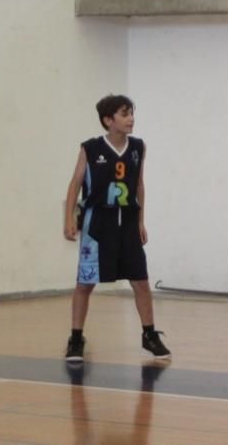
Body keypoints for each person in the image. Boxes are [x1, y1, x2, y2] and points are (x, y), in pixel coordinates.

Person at [62, 95, 170, 363]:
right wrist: (69, 218)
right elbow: (75, 183)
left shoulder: (138, 147)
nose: (131, 118)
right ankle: (76, 338)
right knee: (85, 283)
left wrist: (141, 220)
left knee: (141, 281)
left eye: (131, 113)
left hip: (128, 222)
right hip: (98, 223)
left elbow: (139, 185)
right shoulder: (90, 148)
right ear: (108, 120)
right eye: (124, 114)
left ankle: (149, 335)